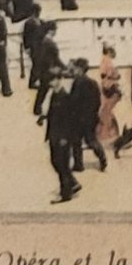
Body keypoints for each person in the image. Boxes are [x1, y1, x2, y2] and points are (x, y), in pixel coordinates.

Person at [44, 67, 81, 204]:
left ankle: (65, 193)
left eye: (52, 80)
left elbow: (69, 119)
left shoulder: (64, 96)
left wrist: (65, 138)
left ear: (59, 80)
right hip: (55, 136)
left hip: (61, 138)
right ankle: (72, 183)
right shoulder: (55, 94)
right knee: (56, 163)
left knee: (61, 164)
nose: (50, 84)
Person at [68, 58, 107, 173]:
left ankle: (78, 165)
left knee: (76, 141)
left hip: (79, 118)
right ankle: (102, 158)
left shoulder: (78, 82)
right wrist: (94, 113)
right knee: (91, 140)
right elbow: (98, 101)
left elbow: (73, 101)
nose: (73, 71)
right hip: (91, 117)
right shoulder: (93, 82)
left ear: (79, 69)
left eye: (74, 68)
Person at [31, 23, 62, 119]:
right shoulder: (49, 43)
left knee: (43, 90)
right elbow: (54, 58)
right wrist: (60, 67)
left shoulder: (44, 41)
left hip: (45, 70)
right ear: (51, 31)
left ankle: (37, 108)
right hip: (50, 70)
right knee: (55, 89)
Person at [96, 44, 124, 147]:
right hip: (110, 87)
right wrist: (114, 76)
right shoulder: (108, 61)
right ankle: (109, 136)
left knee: (105, 112)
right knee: (106, 112)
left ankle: (106, 135)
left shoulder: (104, 60)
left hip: (107, 87)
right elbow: (107, 74)